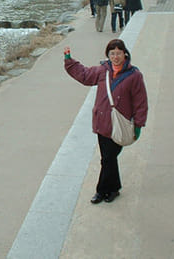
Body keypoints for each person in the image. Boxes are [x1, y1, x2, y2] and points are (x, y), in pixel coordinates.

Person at [63, 39, 148, 204]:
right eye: (112, 53)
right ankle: (111, 189)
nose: (115, 57)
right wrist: (69, 61)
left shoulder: (134, 75)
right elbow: (85, 75)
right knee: (108, 158)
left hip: (120, 124)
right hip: (103, 122)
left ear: (125, 54)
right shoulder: (103, 71)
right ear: (108, 55)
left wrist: (138, 124)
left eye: (118, 53)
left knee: (108, 158)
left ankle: (102, 191)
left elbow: (140, 102)